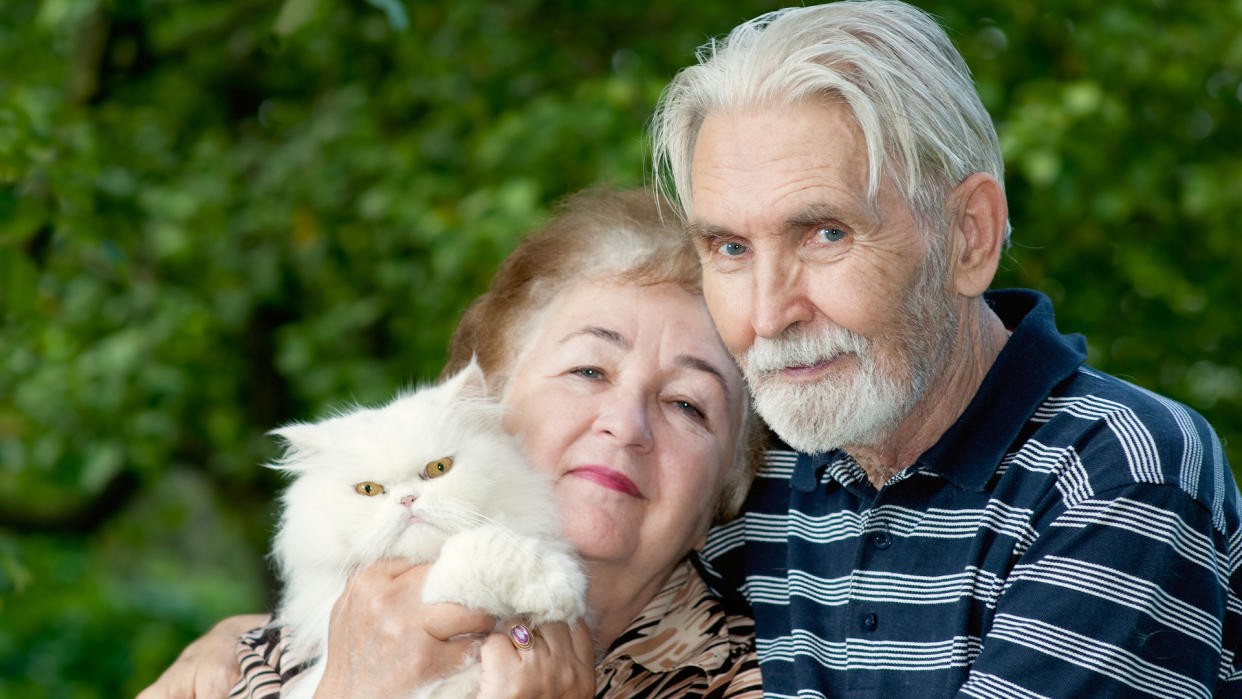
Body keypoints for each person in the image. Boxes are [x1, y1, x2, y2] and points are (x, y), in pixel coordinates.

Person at [649, 1, 1242, 697]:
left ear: (969, 237)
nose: (768, 313)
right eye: (730, 247)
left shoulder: (1118, 471)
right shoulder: (743, 467)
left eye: (826, 234)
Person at [138, 188, 766, 698]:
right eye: (589, 371)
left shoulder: (767, 685)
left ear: (724, 490)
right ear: (484, 403)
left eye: (688, 405)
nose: (627, 424)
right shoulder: (251, 662)